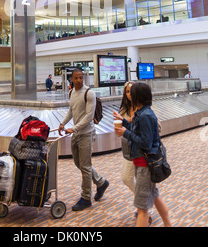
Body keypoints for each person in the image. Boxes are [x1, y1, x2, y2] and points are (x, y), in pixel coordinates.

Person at [113, 82, 172, 227]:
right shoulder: (143, 113)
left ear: (138, 96)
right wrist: (124, 123)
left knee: (142, 209)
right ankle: (168, 224)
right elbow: (137, 130)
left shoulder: (145, 115)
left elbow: (145, 142)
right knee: (155, 197)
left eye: (131, 92)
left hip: (145, 165)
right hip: (144, 163)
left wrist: (125, 133)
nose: (129, 95)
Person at [58, 68, 109, 211]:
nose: (79, 80)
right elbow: (71, 110)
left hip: (86, 133)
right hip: (77, 133)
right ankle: (101, 182)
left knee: (85, 166)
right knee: (78, 163)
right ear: (72, 79)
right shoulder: (71, 92)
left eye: (81, 77)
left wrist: (73, 128)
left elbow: (88, 117)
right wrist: (63, 123)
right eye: (76, 78)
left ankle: (86, 198)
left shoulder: (89, 93)